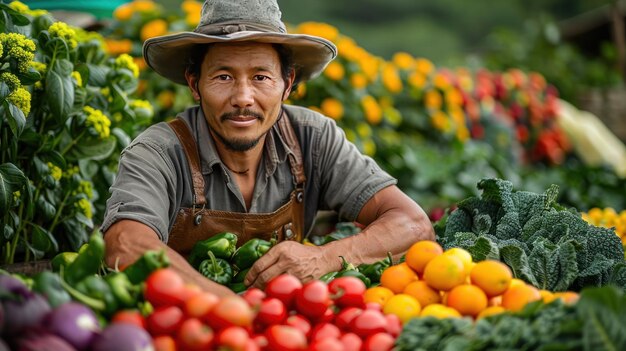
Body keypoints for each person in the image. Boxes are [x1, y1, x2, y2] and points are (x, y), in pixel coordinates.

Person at [102, 0, 435, 297]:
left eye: (261, 77)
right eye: (223, 77)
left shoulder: (313, 138)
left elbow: (413, 225)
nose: (243, 98)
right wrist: (230, 309)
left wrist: (322, 257)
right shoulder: (158, 152)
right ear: (195, 84)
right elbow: (126, 244)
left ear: (287, 85)